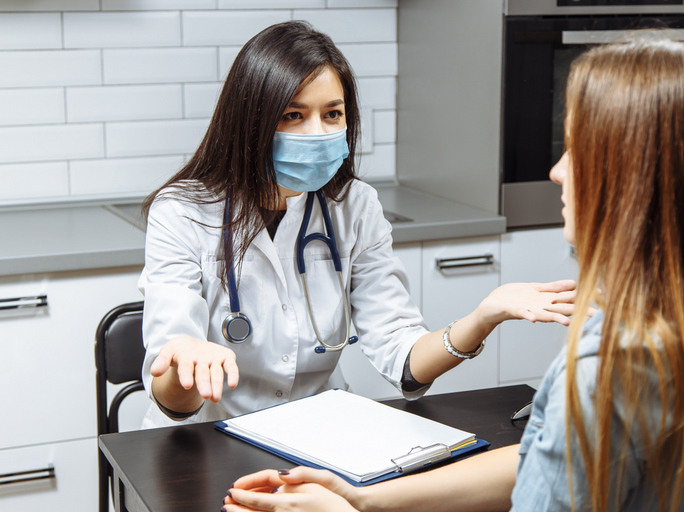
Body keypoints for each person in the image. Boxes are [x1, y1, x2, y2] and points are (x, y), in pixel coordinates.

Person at [220, 38, 684, 512]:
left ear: (644, 182)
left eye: (581, 149)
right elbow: (546, 462)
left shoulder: (613, 367)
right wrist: (363, 498)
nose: (557, 171)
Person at [139, 20, 578, 428]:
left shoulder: (353, 206)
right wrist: (185, 365)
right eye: (293, 115)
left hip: (321, 436)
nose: (318, 133)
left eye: (332, 114)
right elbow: (173, 400)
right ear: (249, 121)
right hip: (207, 439)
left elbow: (404, 362)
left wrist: (484, 317)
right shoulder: (182, 212)